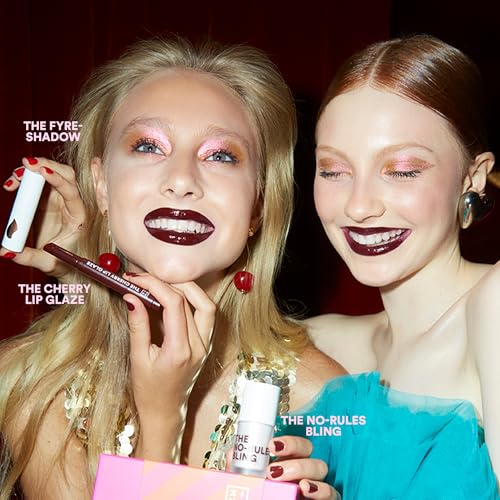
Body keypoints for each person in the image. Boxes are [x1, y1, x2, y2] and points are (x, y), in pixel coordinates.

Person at [0, 37, 344, 499]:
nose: (181, 180)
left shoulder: (322, 397)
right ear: (101, 186)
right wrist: (163, 420)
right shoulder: (36, 380)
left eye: (220, 155)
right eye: (148, 146)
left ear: (258, 205)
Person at [303, 34, 499, 497]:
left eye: (403, 170)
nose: (358, 206)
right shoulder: (318, 343)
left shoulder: (494, 305)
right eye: (333, 170)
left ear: (473, 176)